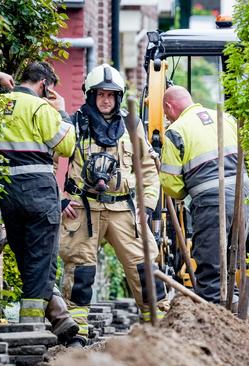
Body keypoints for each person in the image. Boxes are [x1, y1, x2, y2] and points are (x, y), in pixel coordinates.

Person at [59, 63, 169, 347]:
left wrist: (146, 206)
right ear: (90, 96)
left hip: (124, 211)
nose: (106, 100)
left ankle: (156, 328)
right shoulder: (75, 124)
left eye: (111, 95)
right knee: (80, 271)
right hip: (84, 209)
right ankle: (77, 333)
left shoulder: (131, 126)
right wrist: (59, 200)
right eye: (100, 95)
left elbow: (147, 167)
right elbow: (51, 160)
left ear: (118, 98)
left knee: (144, 268)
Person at [0, 62, 79, 344]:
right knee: (43, 259)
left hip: (6, 193)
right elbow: (67, 145)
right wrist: (61, 111)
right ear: (44, 85)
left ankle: (61, 319)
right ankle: (31, 327)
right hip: (38, 191)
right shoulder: (41, 108)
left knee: (27, 256)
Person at [159, 85, 249, 304]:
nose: (166, 118)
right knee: (233, 258)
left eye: (165, 114)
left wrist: (185, 193)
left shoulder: (176, 131)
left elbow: (171, 183)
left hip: (211, 203)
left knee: (211, 265)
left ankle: (214, 318)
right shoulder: (225, 118)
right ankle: (234, 307)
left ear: (169, 106)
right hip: (243, 196)